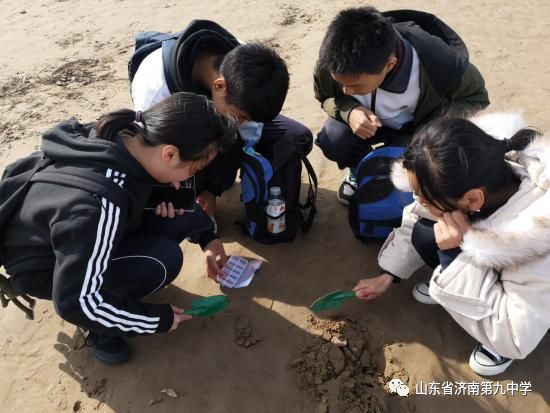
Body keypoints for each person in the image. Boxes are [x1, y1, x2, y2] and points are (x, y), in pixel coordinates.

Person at [0, 92, 236, 365]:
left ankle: (109, 295)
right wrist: (156, 319)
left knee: (177, 211)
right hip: (43, 264)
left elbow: (160, 196)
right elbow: (76, 302)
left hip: (57, 227)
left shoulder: (124, 133)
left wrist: (207, 236)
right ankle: (99, 329)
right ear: (169, 153)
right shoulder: (98, 206)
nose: (188, 179)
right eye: (193, 170)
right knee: (161, 261)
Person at [352, 111, 550, 376]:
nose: (417, 201)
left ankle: (493, 342)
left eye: (423, 195)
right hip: (487, 239)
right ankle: (460, 289)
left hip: (526, 305)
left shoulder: (533, 238)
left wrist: (455, 257)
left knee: (445, 244)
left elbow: (516, 335)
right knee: (426, 232)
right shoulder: (479, 169)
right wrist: (389, 274)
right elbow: (417, 215)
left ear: (473, 200)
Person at [130, 19, 313, 221]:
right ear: (219, 86)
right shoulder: (157, 91)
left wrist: (214, 188)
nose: (243, 124)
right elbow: (153, 156)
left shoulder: (243, 58)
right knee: (182, 196)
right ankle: (195, 197)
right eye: (241, 116)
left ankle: (247, 180)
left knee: (296, 137)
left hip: (222, 113)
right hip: (179, 135)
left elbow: (245, 126)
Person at [314, 6, 490, 205]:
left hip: (414, 127)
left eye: (355, 85)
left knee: (414, 157)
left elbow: (477, 97)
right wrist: (349, 111)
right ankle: (359, 170)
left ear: (389, 65)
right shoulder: (330, 63)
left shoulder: (440, 63)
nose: (345, 90)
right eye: (341, 83)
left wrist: (430, 131)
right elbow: (326, 97)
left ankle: (412, 178)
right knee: (334, 137)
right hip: (367, 127)